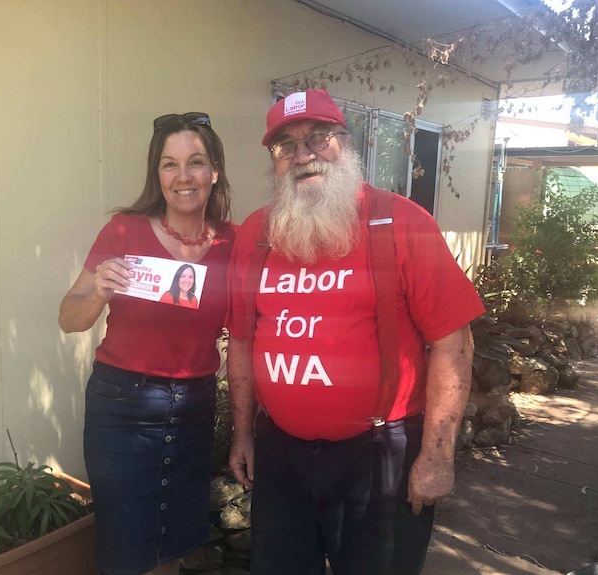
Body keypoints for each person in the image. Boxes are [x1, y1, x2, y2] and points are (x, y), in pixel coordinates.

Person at [226, 90, 485, 575]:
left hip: (379, 457)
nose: (303, 155)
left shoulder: (401, 222)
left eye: (318, 138)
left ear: (346, 143)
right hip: (281, 453)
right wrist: (243, 434)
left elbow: (454, 342)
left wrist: (436, 457)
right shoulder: (257, 233)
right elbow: (240, 339)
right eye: (285, 146)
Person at [59, 112, 236, 575]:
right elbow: (69, 319)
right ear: (157, 175)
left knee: (173, 542)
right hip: (123, 404)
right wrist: (98, 291)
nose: (183, 176)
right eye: (169, 164)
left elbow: (247, 330)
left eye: (195, 162)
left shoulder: (233, 243)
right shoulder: (125, 231)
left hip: (195, 405)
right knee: (125, 548)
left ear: (214, 171)